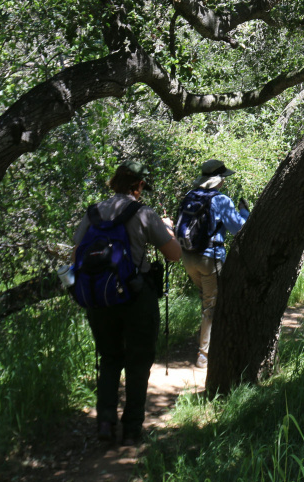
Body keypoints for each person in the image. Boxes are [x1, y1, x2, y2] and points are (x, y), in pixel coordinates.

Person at [72, 161, 182, 446]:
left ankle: (105, 423)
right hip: (136, 296)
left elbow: (76, 256)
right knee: (138, 362)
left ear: (115, 182)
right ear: (139, 185)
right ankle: (132, 429)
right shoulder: (143, 213)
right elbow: (174, 254)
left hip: (99, 298)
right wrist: (168, 230)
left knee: (110, 359)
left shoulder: (93, 213)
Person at [179, 159, 249, 369]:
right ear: (218, 180)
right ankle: (204, 356)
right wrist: (245, 212)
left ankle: (206, 340)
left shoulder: (190, 196)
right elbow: (239, 229)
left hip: (188, 257)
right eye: (223, 178)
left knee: (206, 299)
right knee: (211, 306)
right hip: (209, 258)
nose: (224, 182)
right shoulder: (221, 200)